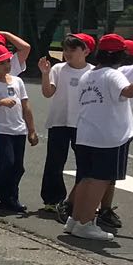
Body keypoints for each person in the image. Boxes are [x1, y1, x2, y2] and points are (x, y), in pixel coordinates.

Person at [67, 34, 133, 241]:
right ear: (119, 55)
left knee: (86, 178)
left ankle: (75, 220)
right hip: (108, 137)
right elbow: (129, 92)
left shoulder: (89, 75)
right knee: (100, 180)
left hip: (86, 134)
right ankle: (85, 223)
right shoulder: (113, 75)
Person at [37, 33, 95, 219]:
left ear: (86, 51)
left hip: (83, 124)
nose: (68, 53)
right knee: (54, 162)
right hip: (59, 121)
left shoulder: (93, 72)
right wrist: (45, 74)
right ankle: (52, 199)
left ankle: (77, 199)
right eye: (65, 49)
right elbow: (48, 93)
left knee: (84, 164)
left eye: (73, 49)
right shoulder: (58, 69)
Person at [0, 44, 37, 214]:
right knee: (5, 162)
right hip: (0, 131)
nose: (7, 65)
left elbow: (26, 106)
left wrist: (31, 130)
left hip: (18, 130)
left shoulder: (17, 81)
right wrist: (0, 102)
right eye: (2, 63)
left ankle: (10, 197)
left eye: (8, 61)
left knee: (18, 167)